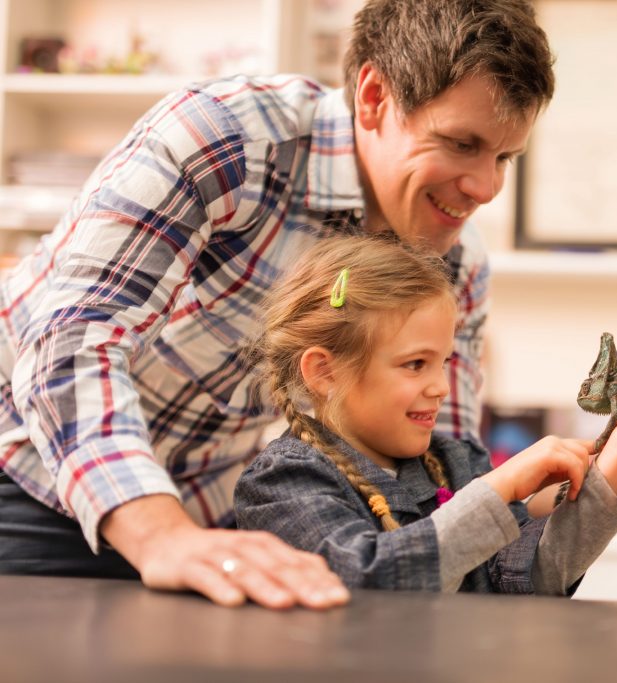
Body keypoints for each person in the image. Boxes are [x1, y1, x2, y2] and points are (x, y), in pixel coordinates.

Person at [0, 0, 556, 608]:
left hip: (202, 514)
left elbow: (435, 471)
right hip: (30, 474)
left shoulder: (457, 263)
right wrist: (161, 535)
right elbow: (73, 340)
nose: (486, 188)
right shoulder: (225, 139)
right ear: (373, 97)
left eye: (504, 158)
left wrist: (585, 495)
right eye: (460, 143)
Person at [234, 235, 617, 592]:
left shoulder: (453, 461)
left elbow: (527, 576)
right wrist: (497, 489)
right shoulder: (283, 482)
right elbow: (367, 579)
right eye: (415, 364)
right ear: (325, 372)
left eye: (444, 362)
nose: (440, 387)